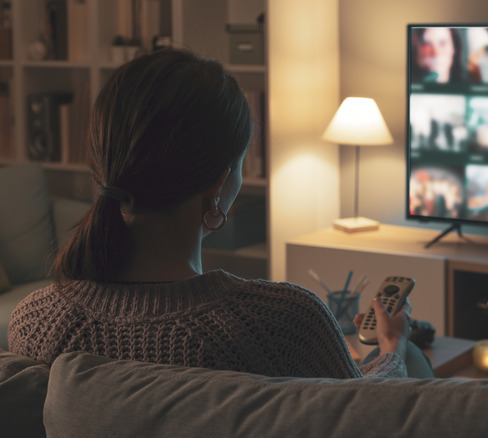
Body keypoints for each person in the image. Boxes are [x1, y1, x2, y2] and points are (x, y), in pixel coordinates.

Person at [9, 48, 431, 379]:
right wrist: (392, 349)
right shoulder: (284, 321)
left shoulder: (37, 322)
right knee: (414, 357)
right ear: (220, 185)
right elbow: (362, 415)